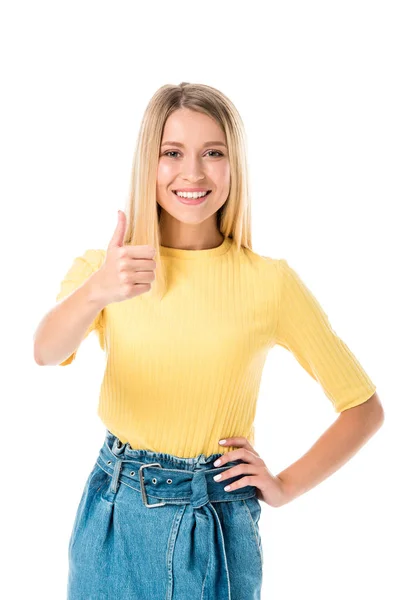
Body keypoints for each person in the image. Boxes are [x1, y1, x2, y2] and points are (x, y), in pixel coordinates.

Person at [33, 82, 384, 600]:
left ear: (233, 166)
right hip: (114, 511)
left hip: (217, 516)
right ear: (147, 163)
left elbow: (363, 408)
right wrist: (98, 290)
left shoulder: (270, 283)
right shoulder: (108, 270)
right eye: (171, 153)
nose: (192, 172)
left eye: (213, 153)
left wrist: (284, 486)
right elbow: (45, 350)